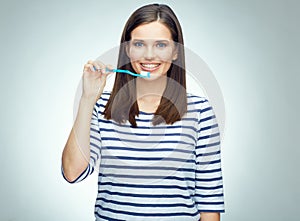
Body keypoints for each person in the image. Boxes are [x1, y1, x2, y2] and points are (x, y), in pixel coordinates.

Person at [62, 3, 225, 221]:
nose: (149, 55)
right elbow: (72, 173)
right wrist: (88, 99)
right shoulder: (102, 108)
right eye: (139, 44)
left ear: (176, 51)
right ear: (128, 50)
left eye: (160, 45)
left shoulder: (200, 112)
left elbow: (209, 201)